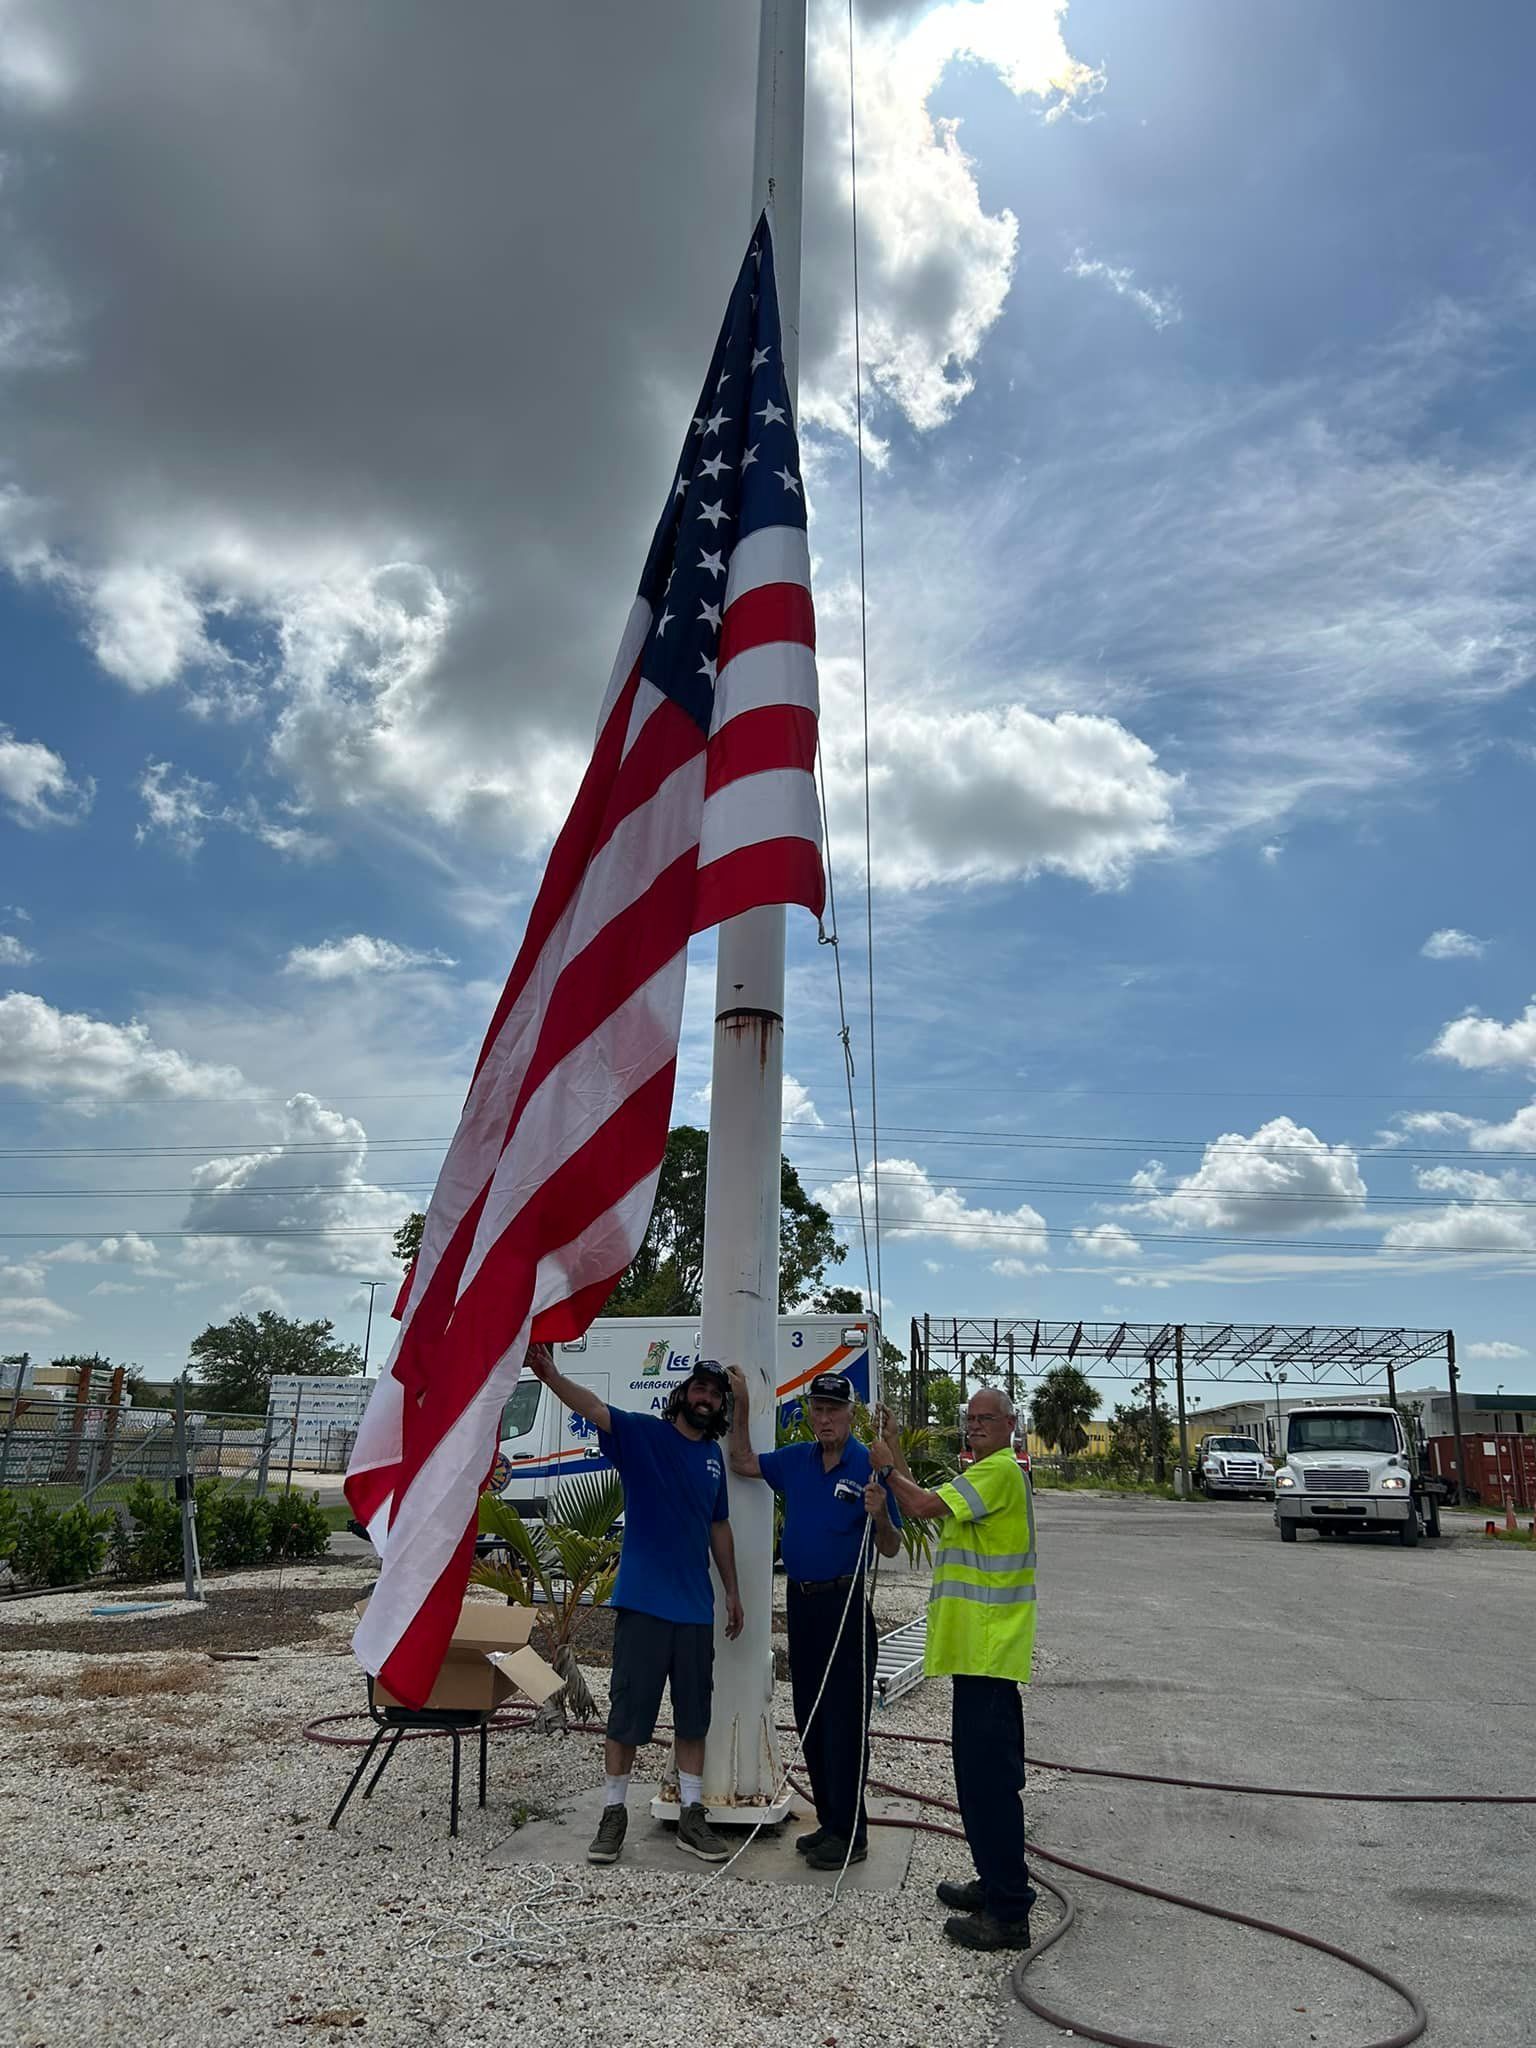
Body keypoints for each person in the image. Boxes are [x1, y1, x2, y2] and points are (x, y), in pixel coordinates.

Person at [522, 1344, 744, 1867]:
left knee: (693, 1720)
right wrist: (551, 1374)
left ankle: (692, 1816)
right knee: (627, 1718)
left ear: (719, 1406)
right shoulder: (645, 1435)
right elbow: (594, 1408)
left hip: (694, 1610)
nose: (706, 1398)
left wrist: (733, 1590)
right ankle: (613, 1814)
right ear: (683, 1394)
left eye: (714, 1393)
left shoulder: (713, 1457)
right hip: (643, 1605)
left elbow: (719, 1526)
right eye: (699, 1389)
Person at [871, 1387, 1037, 1951]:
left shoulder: (1000, 1473)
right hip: (979, 1655)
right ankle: (995, 1884)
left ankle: (1009, 1911)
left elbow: (918, 1507)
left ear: (1011, 1424)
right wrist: (894, 1448)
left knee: (989, 1785)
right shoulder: (984, 1476)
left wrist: (887, 1469)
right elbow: (931, 1495)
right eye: (970, 1418)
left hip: (989, 1655)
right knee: (978, 1780)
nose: (975, 1425)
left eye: (986, 1418)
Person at [726, 1367, 903, 1871]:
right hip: (802, 1606)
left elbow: (889, 1546)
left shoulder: (869, 1464)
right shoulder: (797, 1460)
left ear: (850, 1415)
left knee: (845, 1723)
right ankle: (830, 1823)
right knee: (810, 1716)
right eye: (818, 1410)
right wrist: (741, 1405)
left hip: (845, 1607)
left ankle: (853, 1834)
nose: (825, 1418)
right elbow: (741, 1461)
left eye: (834, 1410)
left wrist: (880, 1514)